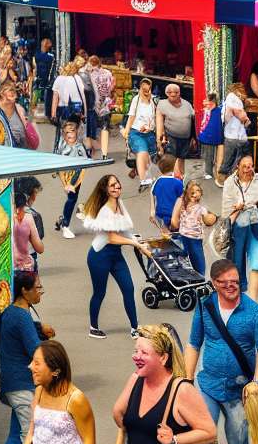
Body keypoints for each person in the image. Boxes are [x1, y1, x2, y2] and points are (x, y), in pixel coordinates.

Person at [184, 258, 258, 444]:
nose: (231, 285)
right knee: (202, 442)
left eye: (235, 281)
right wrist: (186, 380)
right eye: (224, 282)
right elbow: (194, 344)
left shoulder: (254, 311)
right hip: (208, 387)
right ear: (214, 282)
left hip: (239, 393)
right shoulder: (205, 307)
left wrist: (257, 382)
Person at [0, 272, 53, 444]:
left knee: (16, 436)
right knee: (29, 438)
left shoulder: (9, 312)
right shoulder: (23, 315)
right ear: (24, 290)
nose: (40, 291)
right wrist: (55, 353)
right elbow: (36, 350)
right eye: (37, 288)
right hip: (23, 386)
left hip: (14, 385)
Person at [81, 174, 151, 341]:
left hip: (116, 256)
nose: (115, 187)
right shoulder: (105, 210)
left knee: (129, 289)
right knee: (99, 293)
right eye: (111, 185)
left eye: (117, 184)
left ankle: (135, 328)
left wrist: (138, 240)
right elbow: (112, 237)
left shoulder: (120, 205)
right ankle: (93, 327)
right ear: (105, 189)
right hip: (100, 256)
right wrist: (136, 245)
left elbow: (124, 230)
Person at [222, 154, 258, 301]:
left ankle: (253, 303)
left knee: (257, 263)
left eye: (250, 166)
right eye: (244, 166)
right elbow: (226, 211)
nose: (248, 169)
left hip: (257, 225)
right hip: (238, 226)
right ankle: (238, 302)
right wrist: (238, 207)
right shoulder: (229, 183)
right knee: (236, 267)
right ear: (237, 167)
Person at [170, 180, 216, 276]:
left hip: (195, 237)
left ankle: (198, 279)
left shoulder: (201, 208)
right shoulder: (182, 202)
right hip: (186, 236)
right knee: (194, 262)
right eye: (193, 191)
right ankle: (198, 279)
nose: (195, 194)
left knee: (194, 262)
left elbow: (210, 220)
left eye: (198, 191)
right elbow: (174, 221)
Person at [155, 82, 196, 179]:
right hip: (170, 135)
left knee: (182, 157)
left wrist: (194, 138)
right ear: (167, 93)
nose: (173, 94)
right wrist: (159, 140)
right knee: (171, 158)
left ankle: (181, 176)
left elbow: (193, 119)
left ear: (179, 93)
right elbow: (159, 122)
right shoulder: (162, 104)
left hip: (185, 136)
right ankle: (171, 177)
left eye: (175, 92)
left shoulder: (186, 104)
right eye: (170, 92)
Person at [53, 121, 87, 239]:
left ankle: (64, 219)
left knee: (73, 198)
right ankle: (65, 224)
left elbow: (83, 168)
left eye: (73, 133)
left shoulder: (80, 147)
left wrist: (76, 184)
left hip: (76, 173)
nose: (71, 137)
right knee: (71, 198)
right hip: (66, 174)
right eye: (68, 134)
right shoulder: (62, 147)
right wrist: (65, 184)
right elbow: (60, 168)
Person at [123, 78, 157, 189]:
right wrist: (127, 131)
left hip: (150, 133)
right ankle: (143, 180)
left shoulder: (154, 101)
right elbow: (131, 116)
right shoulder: (136, 100)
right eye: (144, 89)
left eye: (148, 89)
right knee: (142, 152)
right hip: (136, 132)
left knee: (147, 159)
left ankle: (144, 175)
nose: (146, 92)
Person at [220, 82, 252, 186]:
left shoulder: (229, 99)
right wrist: (246, 118)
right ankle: (223, 178)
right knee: (231, 158)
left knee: (234, 158)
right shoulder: (234, 99)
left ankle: (230, 179)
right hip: (234, 135)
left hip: (233, 134)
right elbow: (239, 114)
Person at [149, 154, 183, 237]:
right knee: (177, 235)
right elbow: (182, 199)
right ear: (174, 166)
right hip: (173, 213)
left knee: (165, 234)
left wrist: (152, 212)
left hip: (160, 214)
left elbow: (153, 196)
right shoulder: (177, 182)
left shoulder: (156, 182)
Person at [89, 55, 116, 160]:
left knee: (93, 128)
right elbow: (113, 83)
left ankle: (93, 153)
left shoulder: (91, 74)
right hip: (106, 104)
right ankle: (104, 153)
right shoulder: (108, 73)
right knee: (105, 128)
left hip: (94, 104)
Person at [49, 60, 85, 132]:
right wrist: (84, 112)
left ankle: (65, 141)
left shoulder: (59, 79)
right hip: (77, 106)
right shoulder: (77, 78)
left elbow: (55, 98)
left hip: (63, 107)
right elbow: (82, 94)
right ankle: (75, 141)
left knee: (65, 129)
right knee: (75, 129)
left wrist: (53, 114)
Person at [198, 89, 225, 184]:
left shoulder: (219, 111)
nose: (205, 102)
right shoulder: (207, 111)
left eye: (207, 100)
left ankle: (212, 170)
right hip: (207, 136)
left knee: (214, 154)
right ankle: (208, 171)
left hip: (215, 135)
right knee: (207, 155)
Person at [13, 192, 43, 273]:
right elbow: (40, 248)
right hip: (25, 266)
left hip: (8, 267)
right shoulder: (29, 218)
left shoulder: (4, 218)